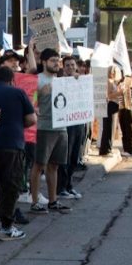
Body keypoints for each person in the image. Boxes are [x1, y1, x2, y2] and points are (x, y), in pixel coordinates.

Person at [0, 66, 34, 240]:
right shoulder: (18, 93)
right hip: (12, 144)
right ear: (12, 80)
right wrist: (17, 123)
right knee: (10, 186)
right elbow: (32, 118)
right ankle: (7, 226)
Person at [29, 48, 70, 214]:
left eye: (57, 61)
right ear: (44, 62)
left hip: (62, 127)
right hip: (44, 127)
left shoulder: (62, 81)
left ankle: (53, 201)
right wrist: (39, 94)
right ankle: (34, 202)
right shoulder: (37, 80)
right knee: (39, 165)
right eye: (53, 60)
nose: (56, 64)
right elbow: (30, 102)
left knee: (54, 165)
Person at [57, 55, 84, 200]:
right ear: (63, 67)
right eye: (67, 65)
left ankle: (69, 185)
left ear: (76, 66)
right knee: (65, 157)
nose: (70, 67)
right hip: (65, 123)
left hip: (78, 122)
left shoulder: (82, 81)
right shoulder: (59, 81)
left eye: (72, 65)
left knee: (74, 156)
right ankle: (61, 187)